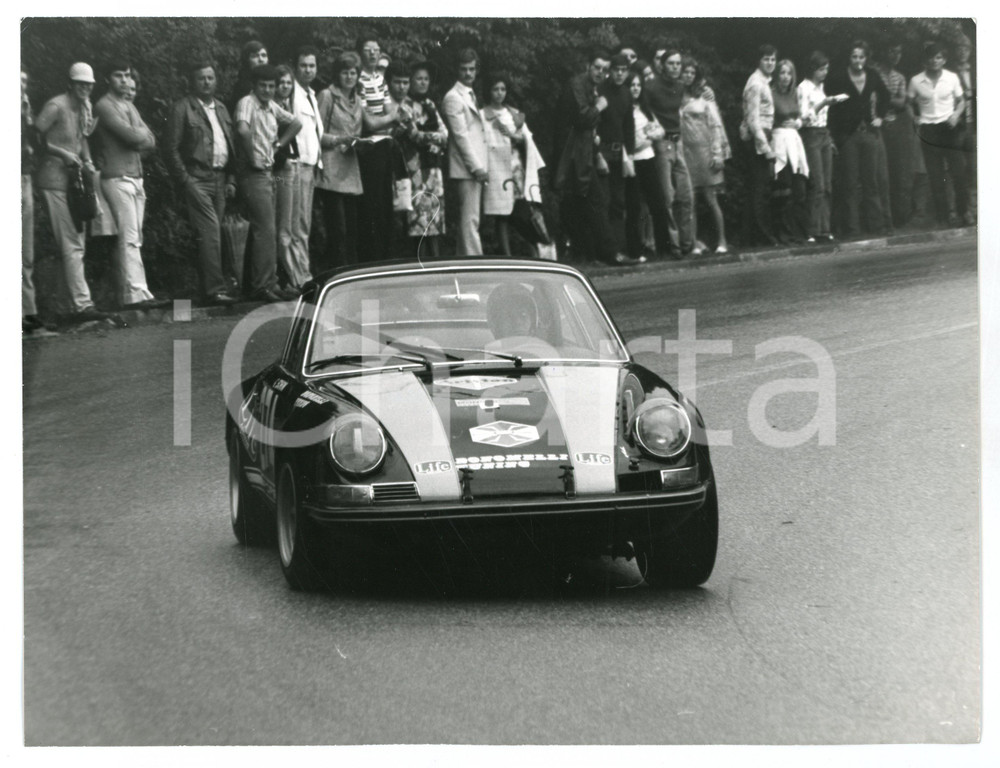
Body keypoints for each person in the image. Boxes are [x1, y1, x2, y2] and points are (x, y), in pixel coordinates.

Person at [34, 63, 107, 322]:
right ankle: (82, 305)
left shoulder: (84, 106)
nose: (85, 87)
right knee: (73, 242)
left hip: (75, 182)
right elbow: (34, 136)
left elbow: (82, 138)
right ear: (71, 83)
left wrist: (87, 160)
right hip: (53, 180)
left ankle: (67, 306)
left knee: (77, 242)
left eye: (88, 84)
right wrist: (63, 153)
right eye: (80, 83)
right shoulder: (57, 105)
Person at [91, 60, 166, 309]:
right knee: (130, 236)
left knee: (135, 237)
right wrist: (138, 136)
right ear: (107, 79)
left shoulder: (129, 105)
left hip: (136, 177)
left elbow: (151, 141)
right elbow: (133, 136)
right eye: (118, 75)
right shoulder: (104, 105)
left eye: (126, 75)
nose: (124, 80)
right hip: (117, 177)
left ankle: (132, 293)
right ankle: (136, 294)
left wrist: (138, 137)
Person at [163, 61, 239, 305]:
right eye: (201, 78)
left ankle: (208, 289)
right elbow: (170, 148)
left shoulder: (222, 109)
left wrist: (231, 178)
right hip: (197, 179)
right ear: (192, 82)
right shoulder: (182, 108)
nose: (206, 82)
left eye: (210, 78)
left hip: (220, 179)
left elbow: (232, 146)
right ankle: (215, 290)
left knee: (213, 235)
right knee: (210, 234)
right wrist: (185, 180)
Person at [554, 49, 633, 265]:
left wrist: (596, 152)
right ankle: (607, 253)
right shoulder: (578, 85)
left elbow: (588, 128)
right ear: (588, 66)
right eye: (597, 67)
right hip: (572, 156)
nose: (601, 72)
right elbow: (582, 119)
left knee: (583, 204)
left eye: (605, 69)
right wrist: (599, 106)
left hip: (582, 154)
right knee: (594, 202)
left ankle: (590, 254)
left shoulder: (590, 87)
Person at [234, 64, 302, 302]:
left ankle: (263, 283)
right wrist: (253, 156)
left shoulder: (271, 105)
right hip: (253, 173)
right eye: (263, 85)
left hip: (268, 172)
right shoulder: (247, 103)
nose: (267, 90)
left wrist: (279, 145)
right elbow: (242, 130)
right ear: (254, 85)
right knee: (266, 228)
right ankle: (263, 285)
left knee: (265, 228)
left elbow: (296, 123)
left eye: (271, 86)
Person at [827, 40, 891, 237]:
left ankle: (876, 227)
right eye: (854, 56)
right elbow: (831, 106)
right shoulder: (838, 77)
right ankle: (852, 229)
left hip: (869, 133)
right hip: (848, 136)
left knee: (871, 182)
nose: (858, 60)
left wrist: (879, 117)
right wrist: (835, 134)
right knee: (850, 183)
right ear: (849, 58)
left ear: (866, 58)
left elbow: (885, 95)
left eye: (861, 57)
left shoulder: (872, 75)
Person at [908, 41, 971, 228]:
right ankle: (943, 216)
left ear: (943, 60)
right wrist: (915, 119)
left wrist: (956, 115)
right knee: (935, 177)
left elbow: (962, 101)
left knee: (958, 172)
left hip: (949, 129)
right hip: (929, 131)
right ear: (925, 61)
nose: (934, 61)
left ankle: (964, 212)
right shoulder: (916, 81)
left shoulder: (951, 78)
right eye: (931, 58)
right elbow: (908, 103)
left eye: (938, 58)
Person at [316, 52, 365, 271]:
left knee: (353, 229)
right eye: (344, 72)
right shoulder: (327, 96)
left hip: (351, 168)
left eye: (353, 72)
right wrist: (338, 140)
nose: (349, 76)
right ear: (337, 74)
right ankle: (336, 273)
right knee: (338, 229)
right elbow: (315, 133)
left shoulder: (357, 99)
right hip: (331, 168)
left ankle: (351, 273)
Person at [645, 47, 695, 255]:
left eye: (678, 64)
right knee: (668, 197)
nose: (675, 67)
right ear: (662, 66)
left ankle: (687, 243)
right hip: (661, 143)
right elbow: (644, 113)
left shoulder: (681, 86)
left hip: (678, 142)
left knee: (687, 195)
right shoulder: (651, 87)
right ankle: (673, 245)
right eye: (671, 63)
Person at [356, 34, 400, 262]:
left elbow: (388, 112)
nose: (373, 53)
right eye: (368, 49)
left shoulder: (379, 79)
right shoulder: (359, 80)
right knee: (372, 206)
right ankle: (371, 257)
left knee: (385, 205)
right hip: (369, 149)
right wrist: (390, 117)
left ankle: (385, 256)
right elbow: (370, 123)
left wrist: (388, 116)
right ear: (360, 53)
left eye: (376, 49)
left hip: (383, 146)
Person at [679, 57, 731, 254]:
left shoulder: (704, 97)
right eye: (686, 72)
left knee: (711, 198)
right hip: (684, 152)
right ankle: (693, 244)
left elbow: (715, 126)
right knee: (689, 199)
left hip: (704, 151)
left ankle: (722, 241)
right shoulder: (674, 95)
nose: (689, 76)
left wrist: (718, 154)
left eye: (692, 73)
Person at [441, 48, 489, 256]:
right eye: (464, 69)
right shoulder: (453, 97)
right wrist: (476, 167)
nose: (468, 74)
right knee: (470, 219)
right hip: (466, 167)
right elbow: (460, 137)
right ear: (457, 71)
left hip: (475, 164)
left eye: (472, 69)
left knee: (470, 218)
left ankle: (466, 260)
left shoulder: (470, 94)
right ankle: (475, 262)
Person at [285, 46, 324, 288]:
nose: (308, 70)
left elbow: (315, 133)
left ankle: (302, 272)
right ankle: (301, 277)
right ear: (296, 67)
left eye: (312, 65)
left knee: (304, 224)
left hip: (311, 166)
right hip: (296, 166)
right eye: (303, 65)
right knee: (297, 224)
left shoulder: (311, 94)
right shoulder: (292, 94)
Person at [623, 71, 673, 261]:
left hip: (648, 158)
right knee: (634, 207)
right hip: (632, 161)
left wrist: (651, 135)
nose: (635, 89)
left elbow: (660, 130)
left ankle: (664, 249)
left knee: (658, 204)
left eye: (638, 85)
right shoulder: (624, 109)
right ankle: (635, 251)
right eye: (632, 85)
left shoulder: (645, 109)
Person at [405, 61, 448, 259]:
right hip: (415, 166)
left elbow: (445, 134)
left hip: (433, 167)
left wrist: (429, 136)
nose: (422, 83)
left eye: (426, 79)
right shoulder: (405, 105)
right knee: (418, 218)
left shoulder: (430, 104)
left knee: (435, 217)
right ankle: (419, 262)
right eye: (418, 79)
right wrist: (433, 137)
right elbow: (413, 134)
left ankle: (436, 261)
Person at [481, 72, 528, 256]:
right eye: (495, 89)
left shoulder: (513, 113)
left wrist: (514, 136)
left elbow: (526, 139)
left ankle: (528, 249)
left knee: (518, 211)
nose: (499, 93)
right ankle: (505, 253)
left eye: (503, 89)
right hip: (496, 167)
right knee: (501, 214)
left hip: (515, 167)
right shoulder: (483, 114)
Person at [874, 43, 917, 229]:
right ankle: (882, 218)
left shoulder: (899, 76)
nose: (895, 55)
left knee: (898, 171)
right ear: (885, 51)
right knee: (881, 173)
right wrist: (888, 100)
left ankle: (899, 217)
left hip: (895, 126)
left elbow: (902, 102)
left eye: (898, 52)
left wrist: (885, 99)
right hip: (877, 124)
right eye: (892, 50)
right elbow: (871, 97)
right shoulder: (875, 72)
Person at [740, 44, 778, 246]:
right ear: (759, 61)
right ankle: (762, 236)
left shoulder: (765, 82)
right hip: (757, 139)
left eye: (773, 59)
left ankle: (751, 237)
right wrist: (766, 149)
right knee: (759, 190)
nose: (770, 63)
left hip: (763, 135)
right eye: (766, 59)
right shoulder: (756, 84)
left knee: (757, 189)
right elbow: (753, 120)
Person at [798, 51, 838, 242]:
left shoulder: (821, 87)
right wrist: (823, 103)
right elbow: (803, 117)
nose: (824, 73)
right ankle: (812, 230)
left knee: (827, 184)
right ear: (813, 69)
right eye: (821, 69)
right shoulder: (803, 88)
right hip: (811, 134)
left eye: (826, 69)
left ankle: (825, 228)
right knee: (817, 184)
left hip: (824, 133)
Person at [597, 53, 635, 255]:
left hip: (620, 153)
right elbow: (594, 125)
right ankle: (607, 251)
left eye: (623, 70)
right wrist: (598, 155)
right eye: (616, 70)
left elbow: (629, 126)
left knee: (619, 202)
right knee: (604, 201)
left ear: (627, 72)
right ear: (610, 71)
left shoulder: (627, 94)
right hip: (601, 151)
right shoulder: (601, 91)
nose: (620, 74)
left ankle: (619, 249)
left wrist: (630, 154)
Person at [769, 59, 809, 244]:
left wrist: (797, 123)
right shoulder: (771, 94)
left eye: (788, 73)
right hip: (779, 142)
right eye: (782, 73)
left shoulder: (794, 94)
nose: (785, 77)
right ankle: (783, 233)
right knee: (783, 190)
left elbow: (802, 117)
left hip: (794, 141)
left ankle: (798, 232)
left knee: (799, 189)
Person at [273, 65, 304, 292]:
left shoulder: (288, 106)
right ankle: (288, 279)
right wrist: (281, 154)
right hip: (282, 169)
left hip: (295, 164)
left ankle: (295, 275)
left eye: (288, 83)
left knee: (293, 225)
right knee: (283, 225)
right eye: (281, 82)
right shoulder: (273, 109)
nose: (285, 87)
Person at [233, 40, 268, 108]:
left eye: (264, 55)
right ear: (247, 60)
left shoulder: (272, 81)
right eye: (255, 56)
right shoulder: (243, 86)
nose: (261, 59)